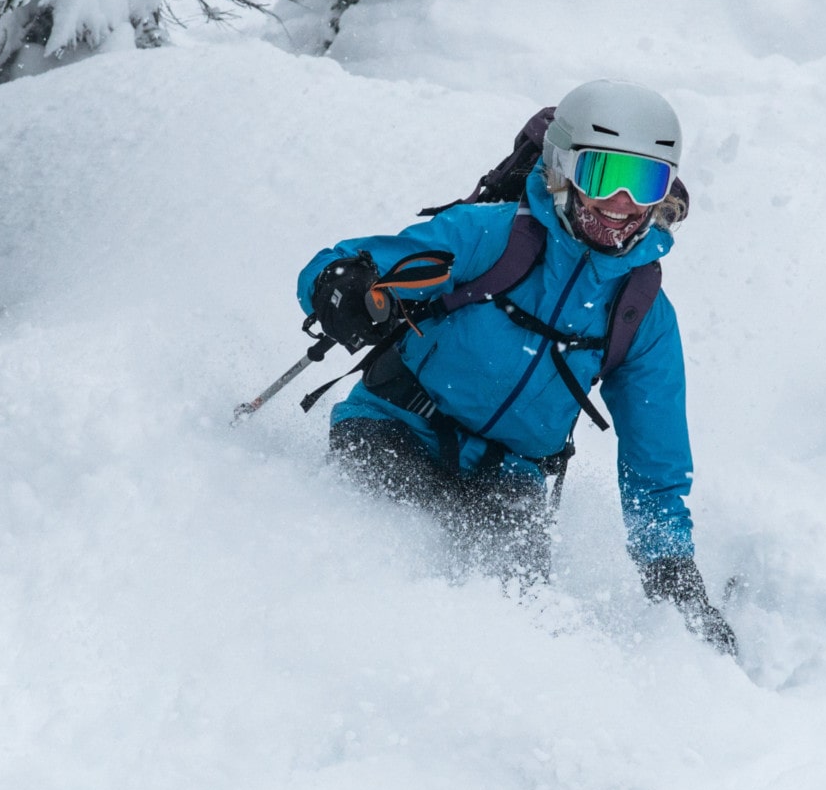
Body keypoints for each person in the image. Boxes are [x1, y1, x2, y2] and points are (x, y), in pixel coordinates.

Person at [297, 79, 737, 656]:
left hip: (511, 479)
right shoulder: (490, 236)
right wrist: (343, 287)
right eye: (604, 176)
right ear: (562, 168)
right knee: (374, 566)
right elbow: (346, 265)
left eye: (646, 181)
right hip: (397, 426)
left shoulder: (641, 312)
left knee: (511, 635)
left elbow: (655, 463)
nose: (622, 204)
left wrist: (671, 570)